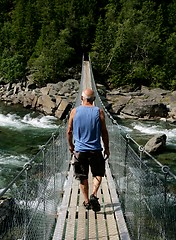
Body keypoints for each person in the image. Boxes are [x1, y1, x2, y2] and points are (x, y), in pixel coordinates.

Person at [67, 88, 110, 211]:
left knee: (82, 176)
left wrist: (71, 146)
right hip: (96, 150)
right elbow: (104, 132)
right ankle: (94, 195)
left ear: (82, 98)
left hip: (80, 150)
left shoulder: (74, 112)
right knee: (98, 173)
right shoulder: (99, 112)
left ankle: (86, 202)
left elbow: (69, 131)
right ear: (94, 100)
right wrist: (107, 148)